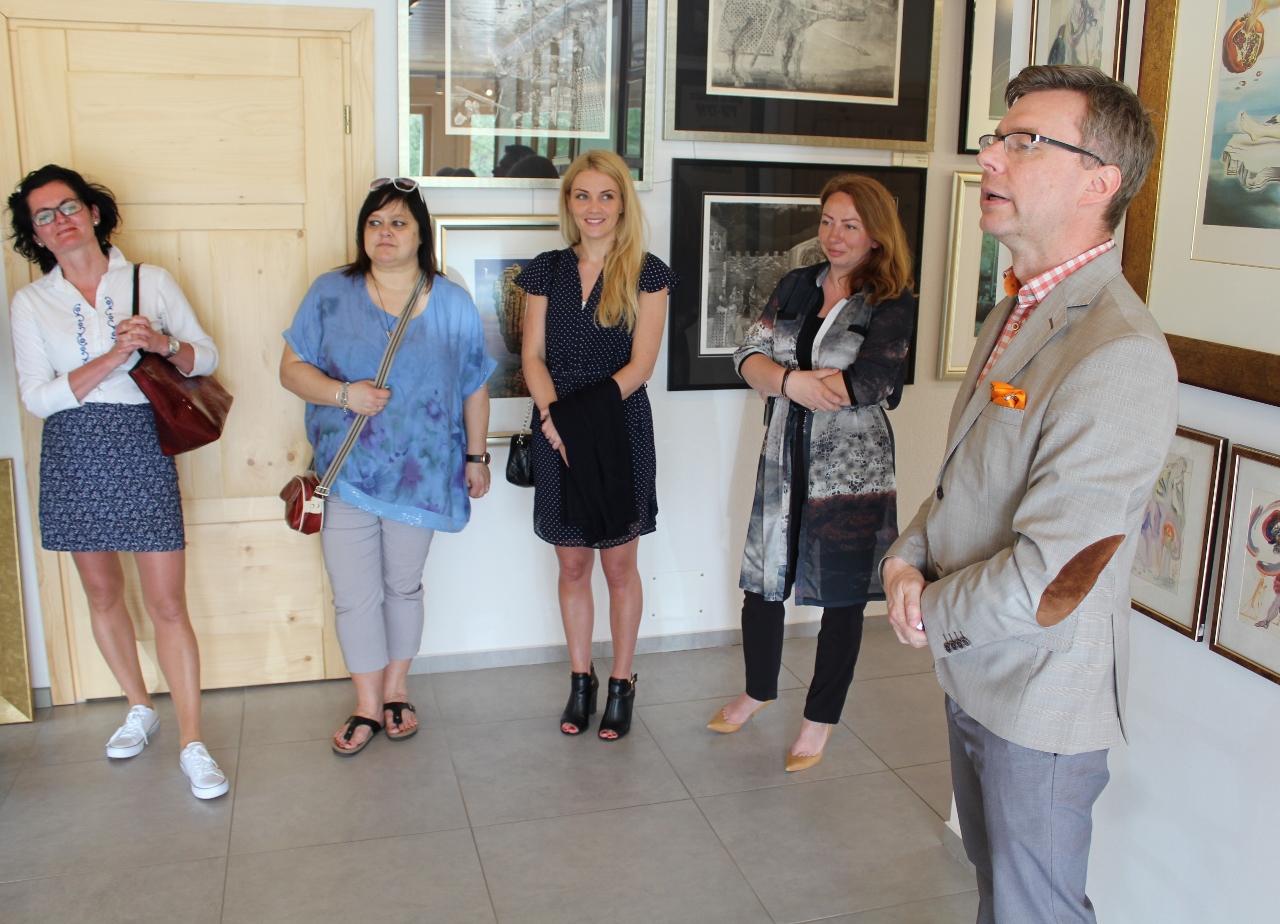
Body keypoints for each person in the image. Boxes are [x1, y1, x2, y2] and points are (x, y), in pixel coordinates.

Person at [881, 65, 1179, 924]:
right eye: (995, 140)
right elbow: (969, 474)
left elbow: (1054, 579)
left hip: (1041, 694)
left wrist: (927, 608)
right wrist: (906, 557)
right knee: (996, 889)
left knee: (1033, 911)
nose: (990, 159)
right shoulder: (1015, 307)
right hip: (978, 669)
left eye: (1024, 143)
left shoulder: (1118, 352)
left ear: (1099, 182)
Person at [7, 165, 228, 799]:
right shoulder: (31, 302)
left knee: (166, 603)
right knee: (102, 593)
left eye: (68, 207)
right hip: (73, 450)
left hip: (140, 442)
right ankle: (138, 705)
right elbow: (37, 398)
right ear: (36, 236)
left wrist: (160, 342)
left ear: (94, 213)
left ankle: (192, 741)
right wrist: (111, 357)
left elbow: (207, 356)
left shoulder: (148, 281)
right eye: (44, 216)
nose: (59, 221)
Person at [280, 177, 495, 755]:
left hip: (423, 475)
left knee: (402, 586)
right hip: (346, 472)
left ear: (421, 233)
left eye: (399, 222)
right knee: (354, 594)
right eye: (374, 222)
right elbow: (291, 370)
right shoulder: (330, 292)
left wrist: (476, 457)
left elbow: (474, 385)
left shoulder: (451, 302)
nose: (385, 233)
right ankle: (367, 704)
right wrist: (343, 395)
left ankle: (398, 691)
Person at [709, 175, 916, 772]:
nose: (834, 235)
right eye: (828, 221)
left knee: (843, 596)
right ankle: (758, 690)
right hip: (783, 455)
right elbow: (746, 354)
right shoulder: (797, 284)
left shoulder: (891, 300)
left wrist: (783, 380)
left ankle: (819, 718)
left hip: (851, 470)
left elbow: (869, 384)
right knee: (762, 578)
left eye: (850, 225)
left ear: (876, 235)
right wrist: (792, 381)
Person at [516, 150, 677, 740]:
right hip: (553, 425)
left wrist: (576, 424)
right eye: (582, 195)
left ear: (622, 204)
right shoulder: (546, 270)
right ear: (568, 203)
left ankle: (622, 683)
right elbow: (532, 356)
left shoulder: (648, 272)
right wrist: (553, 420)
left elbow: (641, 366)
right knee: (572, 562)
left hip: (618, 427)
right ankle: (580, 681)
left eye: (606, 195)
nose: (594, 207)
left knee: (619, 564)